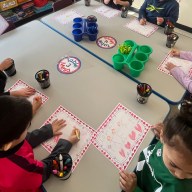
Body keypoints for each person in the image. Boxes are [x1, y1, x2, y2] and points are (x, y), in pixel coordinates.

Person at [0, 95, 80, 192]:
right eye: (26, 126)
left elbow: (23, 139)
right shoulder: (20, 170)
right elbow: (46, 170)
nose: (27, 129)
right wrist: (67, 143)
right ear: (8, 144)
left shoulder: (5, 142)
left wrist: (47, 131)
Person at [119, 101, 192, 192]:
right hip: (135, 167)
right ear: (163, 136)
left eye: (190, 173)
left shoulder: (175, 189)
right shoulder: (174, 142)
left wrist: (134, 189)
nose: (180, 175)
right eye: (173, 165)